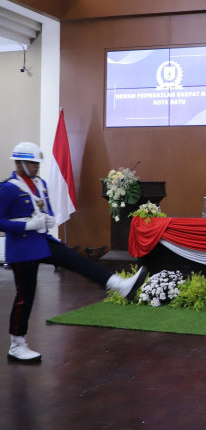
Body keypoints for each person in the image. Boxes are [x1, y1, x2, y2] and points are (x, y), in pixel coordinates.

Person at [0, 142, 148, 362]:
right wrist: (25, 226)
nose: (35, 167)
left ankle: (118, 284)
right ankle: (17, 344)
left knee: (78, 262)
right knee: (25, 296)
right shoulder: (8, 188)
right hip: (22, 248)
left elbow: (45, 209)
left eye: (37, 163)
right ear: (19, 162)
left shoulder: (39, 184)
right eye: (31, 163)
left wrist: (47, 219)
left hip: (41, 241)